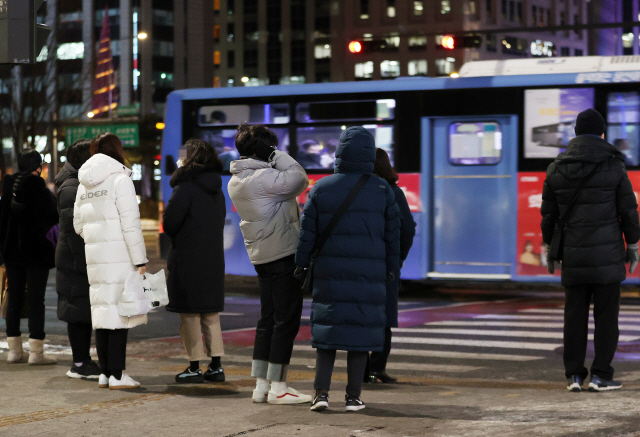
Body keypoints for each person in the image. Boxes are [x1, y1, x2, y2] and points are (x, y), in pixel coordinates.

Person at [296, 126, 401, 412]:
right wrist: (391, 269)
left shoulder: (321, 187)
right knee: (359, 336)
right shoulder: (382, 191)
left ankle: (320, 394)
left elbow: (307, 234)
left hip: (329, 273)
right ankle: (353, 397)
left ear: (340, 151)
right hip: (370, 275)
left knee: (328, 335)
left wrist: (301, 264)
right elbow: (394, 237)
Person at [541, 108, 640, 392]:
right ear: (602, 133)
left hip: (573, 254)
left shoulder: (556, 167)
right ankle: (601, 375)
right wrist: (632, 244)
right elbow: (628, 211)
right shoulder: (614, 166)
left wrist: (550, 246)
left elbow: (549, 214)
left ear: (574, 133)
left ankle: (573, 375)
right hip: (607, 255)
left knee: (574, 316)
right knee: (607, 318)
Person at [228, 123, 312, 405]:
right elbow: (300, 177)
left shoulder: (239, 177)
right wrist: (275, 155)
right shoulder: (262, 177)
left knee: (268, 320)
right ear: (262, 150)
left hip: (263, 253)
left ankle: (262, 385)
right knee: (285, 321)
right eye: (270, 147)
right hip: (281, 252)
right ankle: (279, 387)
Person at [73, 133, 148, 390]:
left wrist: (97, 238)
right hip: (119, 256)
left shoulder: (84, 183)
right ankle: (117, 374)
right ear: (117, 150)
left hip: (95, 257)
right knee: (120, 314)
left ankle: (106, 372)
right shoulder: (120, 179)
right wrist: (140, 260)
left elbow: (77, 225)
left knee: (103, 313)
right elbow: (130, 224)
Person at [163, 139, 227, 384]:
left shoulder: (185, 187)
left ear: (188, 158)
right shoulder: (217, 187)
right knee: (210, 314)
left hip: (188, 258)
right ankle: (217, 366)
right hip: (212, 258)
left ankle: (193, 366)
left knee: (189, 314)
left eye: (182, 156)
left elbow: (170, 223)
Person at [0, 149, 59, 365]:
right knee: (36, 300)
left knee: (13, 298)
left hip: (12, 255)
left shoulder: (7, 191)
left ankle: (14, 351)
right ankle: (36, 352)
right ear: (39, 167)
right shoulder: (42, 192)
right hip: (36, 255)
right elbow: (54, 222)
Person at [366, 148, 416, 383]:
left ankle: (359, 370)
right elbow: (407, 228)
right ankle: (377, 368)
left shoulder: (351, 190)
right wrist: (398, 259)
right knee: (382, 318)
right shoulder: (393, 192)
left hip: (355, 265)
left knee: (359, 316)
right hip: (385, 264)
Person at [55, 139, 101, 379]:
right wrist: (85, 262)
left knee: (81, 310)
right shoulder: (71, 187)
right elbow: (74, 230)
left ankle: (83, 360)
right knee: (77, 310)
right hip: (75, 259)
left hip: (77, 257)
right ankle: (80, 363)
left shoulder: (76, 183)